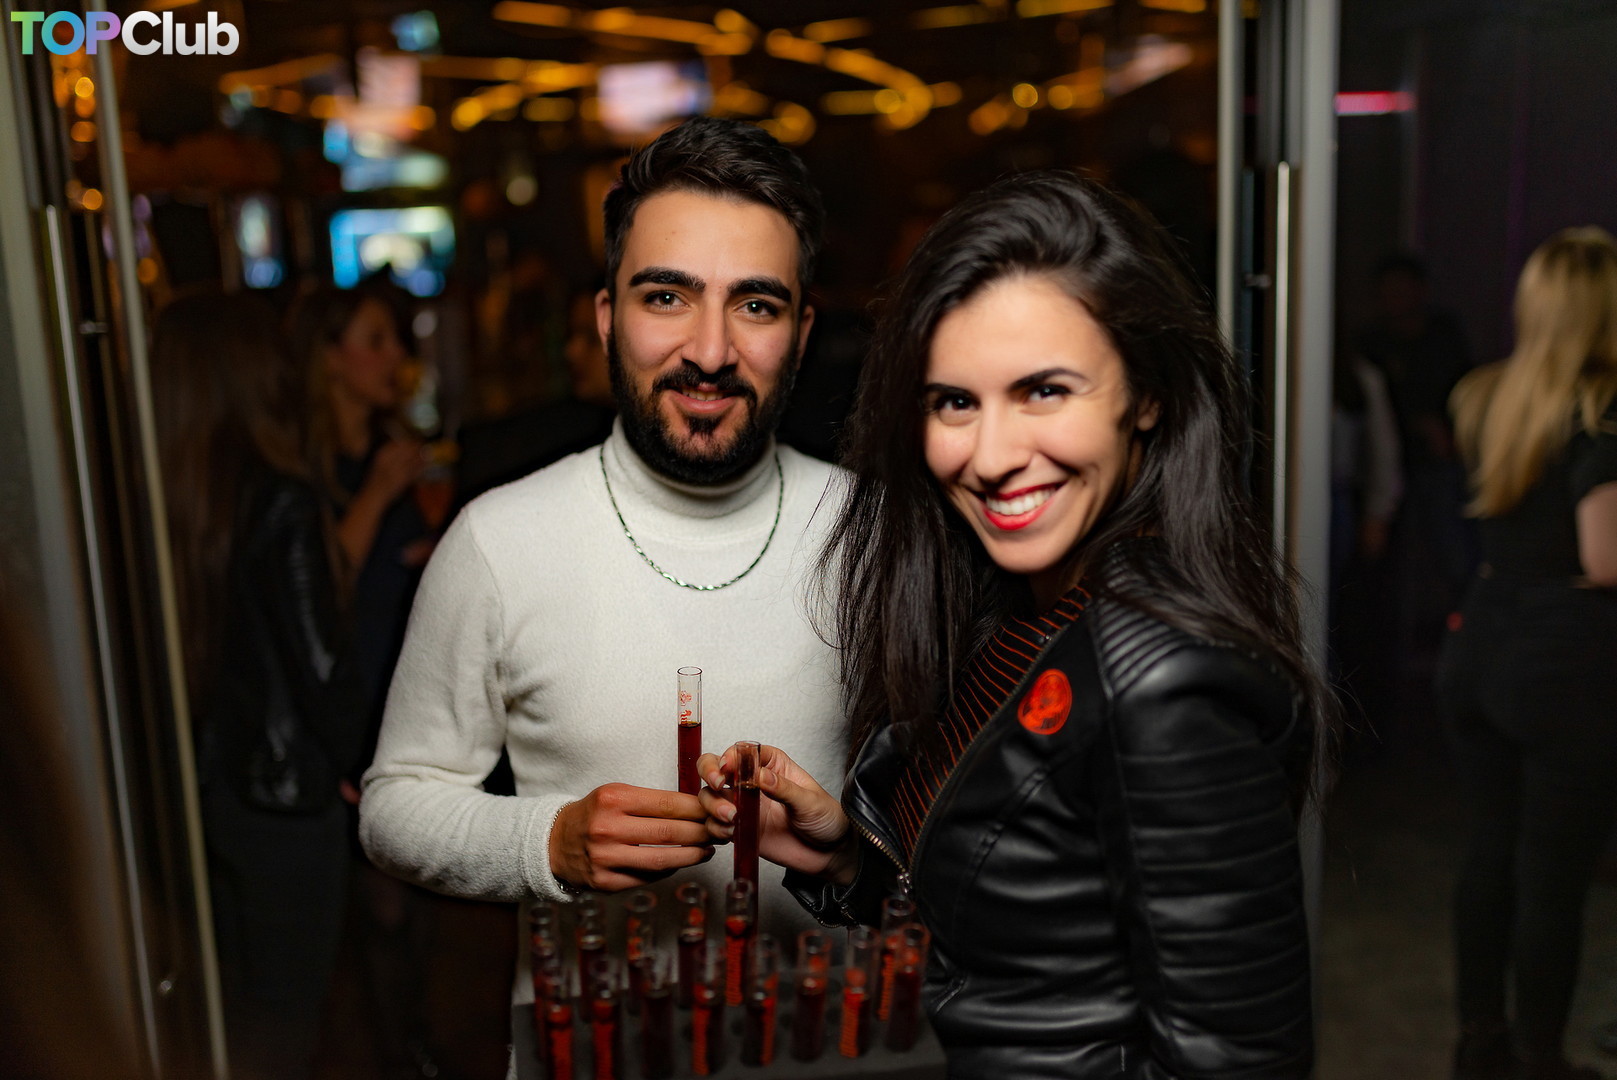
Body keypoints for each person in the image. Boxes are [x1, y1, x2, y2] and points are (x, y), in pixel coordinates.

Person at [698, 171, 1325, 1078]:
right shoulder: (1026, 609)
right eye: (955, 402)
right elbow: (1027, 953)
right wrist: (848, 866)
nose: (990, 457)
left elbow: (1238, 1062)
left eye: (1043, 392)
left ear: (1146, 395)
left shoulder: (1165, 682)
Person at [358, 115, 848, 1044]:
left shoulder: (876, 536)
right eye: (666, 297)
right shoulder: (500, 539)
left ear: (801, 331)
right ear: (605, 317)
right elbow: (394, 804)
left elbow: (958, 824)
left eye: (755, 304)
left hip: (837, 1049)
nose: (709, 351)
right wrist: (546, 841)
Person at [150, 290, 364, 1080]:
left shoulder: (172, 500)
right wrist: (364, 765)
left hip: (211, 795)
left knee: (238, 1012)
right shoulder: (279, 498)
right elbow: (323, 672)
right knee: (286, 1017)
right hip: (288, 800)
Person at [1439, 227, 1617, 1080]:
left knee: (1488, 851)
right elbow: (1604, 559)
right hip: (1561, 661)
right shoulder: (1601, 410)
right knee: (1551, 873)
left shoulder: (1483, 396)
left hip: (1480, 638)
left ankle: (1480, 1043)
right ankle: (1541, 1060)